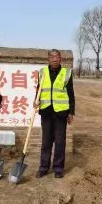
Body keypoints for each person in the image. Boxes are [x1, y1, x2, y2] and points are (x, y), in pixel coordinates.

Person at [35, 49, 75, 179]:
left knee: (60, 142)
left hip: (61, 113)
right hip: (46, 112)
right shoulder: (42, 73)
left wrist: (71, 112)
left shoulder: (66, 73)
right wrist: (36, 101)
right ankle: (43, 167)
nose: (54, 59)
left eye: (57, 57)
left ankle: (58, 168)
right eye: (52, 57)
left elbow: (71, 94)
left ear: (60, 59)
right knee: (46, 142)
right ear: (48, 59)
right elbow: (39, 90)